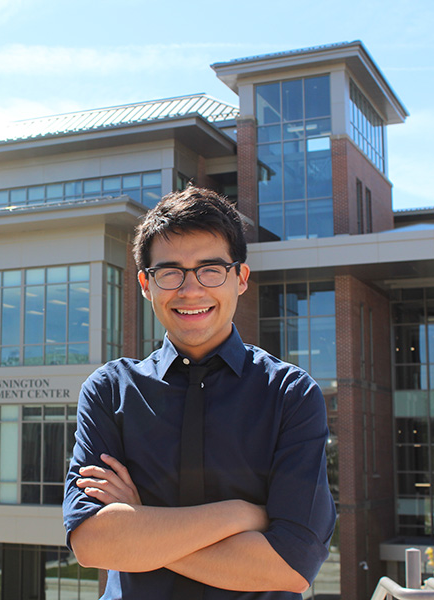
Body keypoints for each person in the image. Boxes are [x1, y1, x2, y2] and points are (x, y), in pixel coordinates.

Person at [63, 186, 337, 600]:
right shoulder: (109, 391)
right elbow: (92, 544)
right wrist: (240, 515)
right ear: (145, 284)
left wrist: (139, 526)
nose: (191, 290)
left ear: (240, 278)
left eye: (211, 269)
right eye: (170, 272)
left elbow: (291, 566)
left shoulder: (290, 394)